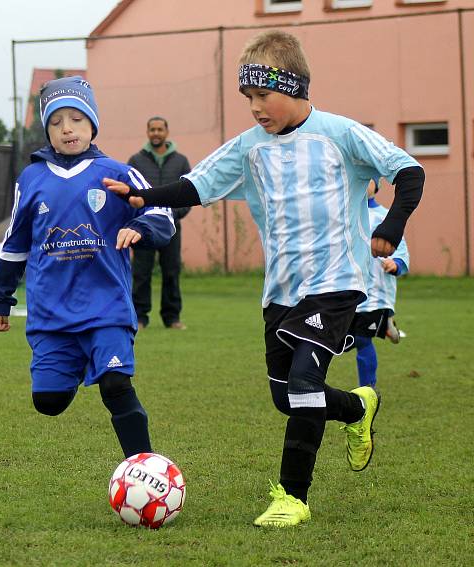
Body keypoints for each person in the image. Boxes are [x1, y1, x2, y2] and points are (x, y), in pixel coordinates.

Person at [103, 30, 424, 526]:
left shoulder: (341, 134)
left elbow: (409, 171)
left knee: (302, 381)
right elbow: (198, 184)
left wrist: (392, 225)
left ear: (294, 87)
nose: (254, 107)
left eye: (263, 95)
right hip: (280, 290)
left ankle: (292, 495)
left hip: (338, 283)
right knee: (286, 396)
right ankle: (359, 410)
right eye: (248, 97)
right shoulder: (250, 148)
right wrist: (147, 198)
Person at [0, 76, 175, 459]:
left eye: (75, 118)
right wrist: (0, 298)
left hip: (107, 307)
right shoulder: (32, 178)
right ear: (47, 130)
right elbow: (15, 243)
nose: (66, 128)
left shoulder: (118, 173)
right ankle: (75, 363)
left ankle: (146, 469)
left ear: (92, 123)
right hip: (51, 313)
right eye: (56, 122)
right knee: (48, 401)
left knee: (116, 386)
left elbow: (163, 214)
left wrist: (139, 227)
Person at [128, 117, 191, 330]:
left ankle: (172, 318)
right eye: (152, 129)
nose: (156, 133)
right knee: (141, 273)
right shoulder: (136, 161)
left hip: (172, 227)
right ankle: (139, 317)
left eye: (160, 129)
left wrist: (170, 215)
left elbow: (189, 194)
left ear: (167, 132)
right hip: (143, 227)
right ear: (147, 132)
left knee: (171, 272)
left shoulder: (181, 161)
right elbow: (130, 194)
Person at [350, 178, 410, 387]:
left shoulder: (385, 216)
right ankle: (385, 324)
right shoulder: (345, 214)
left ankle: (368, 390)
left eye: (367, 179)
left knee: (362, 339)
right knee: (344, 340)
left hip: (376, 294)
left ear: (376, 185)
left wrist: (396, 264)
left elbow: (401, 249)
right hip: (349, 290)